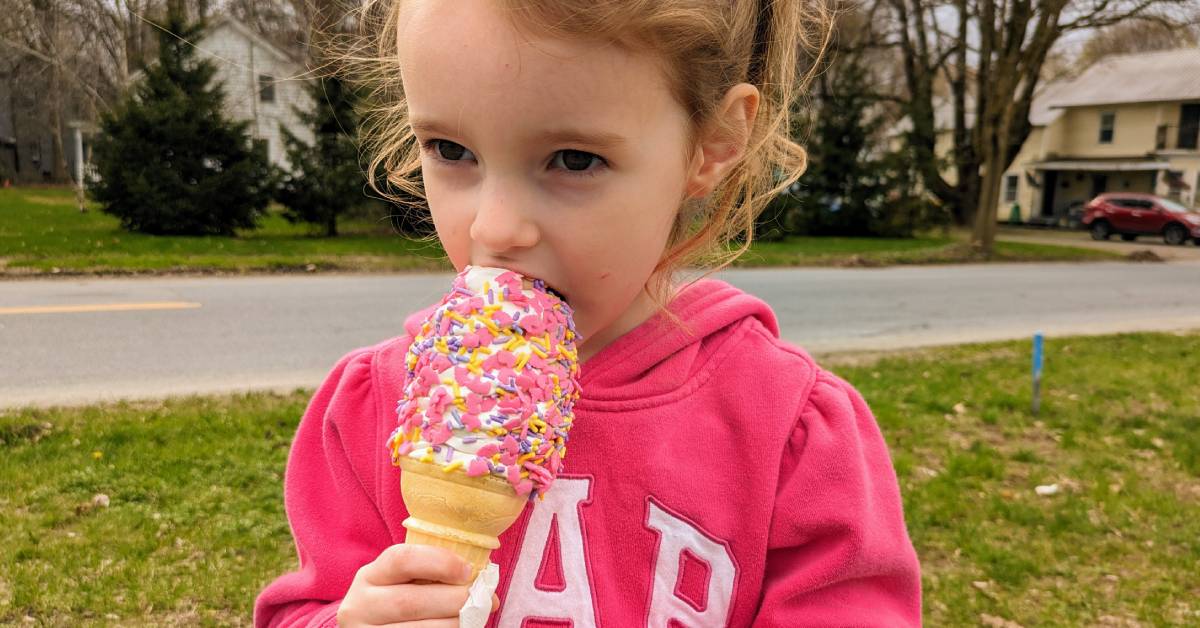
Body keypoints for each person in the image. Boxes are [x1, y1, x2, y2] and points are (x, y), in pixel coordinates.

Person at [255, 0, 922, 625]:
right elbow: (304, 605)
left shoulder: (791, 439)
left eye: (573, 160)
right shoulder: (372, 412)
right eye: (451, 151)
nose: (495, 225)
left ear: (712, 144)